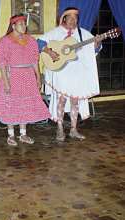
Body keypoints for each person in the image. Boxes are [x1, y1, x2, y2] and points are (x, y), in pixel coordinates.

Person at [38, 7, 101, 141]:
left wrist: (97, 43)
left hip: (77, 73)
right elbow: (38, 43)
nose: (73, 20)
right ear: (64, 19)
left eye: (75, 18)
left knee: (75, 100)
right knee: (61, 100)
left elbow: (94, 50)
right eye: (70, 18)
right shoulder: (56, 32)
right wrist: (50, 52)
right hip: (61, 72)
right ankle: (60, 128)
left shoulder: (83, 33)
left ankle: (73, 129)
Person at [0, 15, 50, 146]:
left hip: (28, 76)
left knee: (24, 104)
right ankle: (11, 135)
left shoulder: (31, 40)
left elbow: (34, 61)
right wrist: (6, 81)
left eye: (24, 24)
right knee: (12, 104)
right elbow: (1, 63)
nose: (24, 26)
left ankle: (23, 134)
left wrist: (38, 77)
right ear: (13, 26)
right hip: (12, 75)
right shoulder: (5, 41)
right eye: (20, 24)